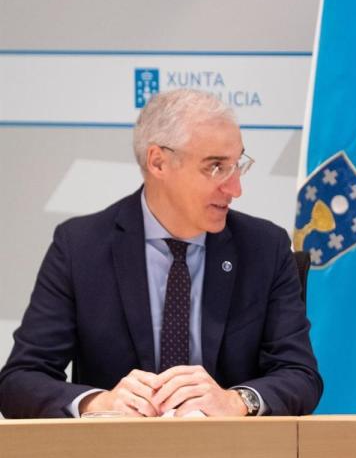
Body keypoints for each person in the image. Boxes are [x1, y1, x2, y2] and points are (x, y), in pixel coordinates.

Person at [0, 89, 322, 418]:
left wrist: (237, 401)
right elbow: (20, 381)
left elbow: (300, 376)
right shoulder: (80, 247)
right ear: (158, 162)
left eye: (237, 165)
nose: (235, 188)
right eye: (215, 167)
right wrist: (100, 403)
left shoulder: (264, 247)